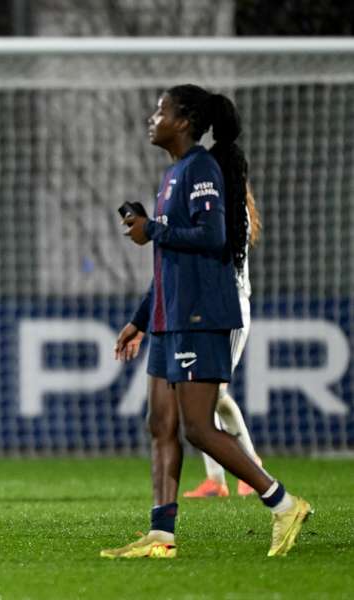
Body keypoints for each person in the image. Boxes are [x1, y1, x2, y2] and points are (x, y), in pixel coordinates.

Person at [101, 85, 311, 559]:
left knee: (198, 426)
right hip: (168, 317)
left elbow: (212, 237)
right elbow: (168, 261)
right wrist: (139, 320)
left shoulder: (201, 168)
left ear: (185, 121)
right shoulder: (173, 174)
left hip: (200, 315)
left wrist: (151, 229)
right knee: (161, 423)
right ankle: (160, 536)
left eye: (161, 109)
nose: (152, 116)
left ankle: (282, 502)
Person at [184, 185, 264, 498]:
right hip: (212, 309)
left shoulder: (231, 213)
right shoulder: (217, 210)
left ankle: (249, 465)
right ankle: (217, 479)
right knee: (203, 392)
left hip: (230, 308)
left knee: (212, 391)